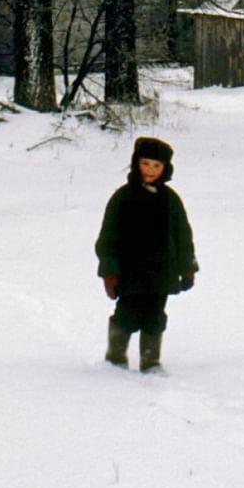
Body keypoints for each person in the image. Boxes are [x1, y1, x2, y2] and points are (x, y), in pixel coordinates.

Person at [94, 135, 198, 372]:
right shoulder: (123, 197)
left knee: (155, 315)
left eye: (156, 166)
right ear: (136, 164)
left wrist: (187, 267)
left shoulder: (170, 200)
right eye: (145, 164)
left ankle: (150, 360)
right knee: (126, 314)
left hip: (162, 272)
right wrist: (109, 272)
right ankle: (116, 357)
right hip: (129, 271)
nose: (150, 170)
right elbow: (107, 238)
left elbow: (183, 237)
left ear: (165, 168)